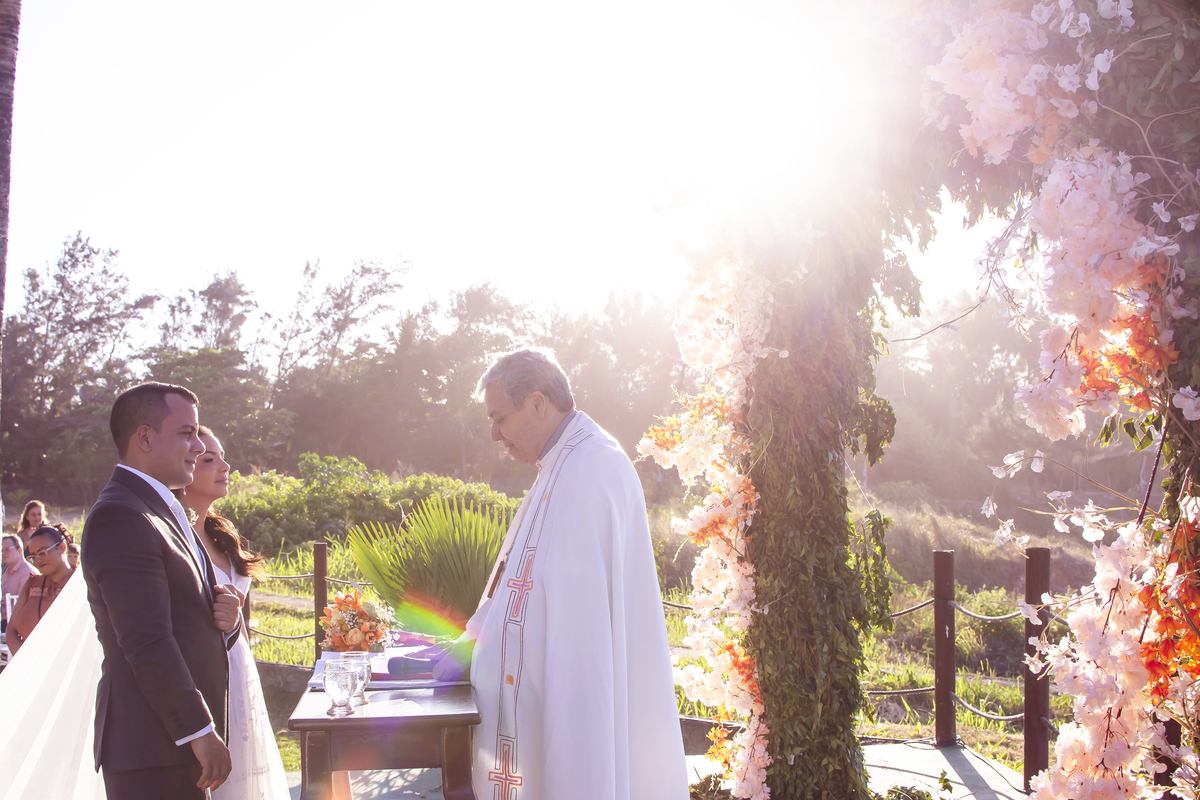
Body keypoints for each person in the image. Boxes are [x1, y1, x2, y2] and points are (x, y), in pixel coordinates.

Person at [436, 348, 688, 800]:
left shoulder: (593, 469)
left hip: (574, 701)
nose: (494, 434)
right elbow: (519, 584)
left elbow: (583, 638)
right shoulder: (561, 465)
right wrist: (474, 643)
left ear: (537, 403)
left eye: (500, 418)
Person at [81, 382, 244, 799]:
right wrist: (199, 730)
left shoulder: (161, 509)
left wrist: (225, 617)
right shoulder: (121, 515)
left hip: (173, 750)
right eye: (187, 433)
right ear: (145, 438)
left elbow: (184, 616)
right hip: (152, 749)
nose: (198, 445)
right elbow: (145, 639)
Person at [175, 425, 291, 800]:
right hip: (204, 676)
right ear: (184, 465)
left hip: (239, 670)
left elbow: (236, 621)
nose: (224, 466)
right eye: (209, 459)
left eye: (222, 457)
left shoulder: (222, 537)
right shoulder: (174, 536)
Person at [7, 525, 76, 654]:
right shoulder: (31, 584)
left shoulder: (79, 583)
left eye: (42, 553)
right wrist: (26, 661)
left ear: (62, 547)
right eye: (33, 556)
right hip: (28, 664)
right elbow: (11, 631)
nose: (38, 560)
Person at [1, 532, 38, 632]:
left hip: (12, 624)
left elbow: (23, 607)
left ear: (20, 550)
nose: (3, 553)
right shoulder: (6, 571)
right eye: (1, 550)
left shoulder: (28, 573)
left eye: (7, 549)